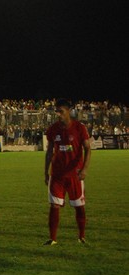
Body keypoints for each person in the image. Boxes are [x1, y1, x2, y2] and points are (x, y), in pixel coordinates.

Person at [43, 99, 91, 245]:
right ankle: (53, 239)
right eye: (56, 112)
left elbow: (88, 149)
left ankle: (81, 236)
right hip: (57, 174)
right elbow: (50, 151)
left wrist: (84, 169)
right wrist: (46, 172)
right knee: (54, 205)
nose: (58, 114)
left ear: (69, 111)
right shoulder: (53, 129)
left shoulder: (79, 128)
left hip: (74, 174)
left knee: (79, 206)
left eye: (61, 112)